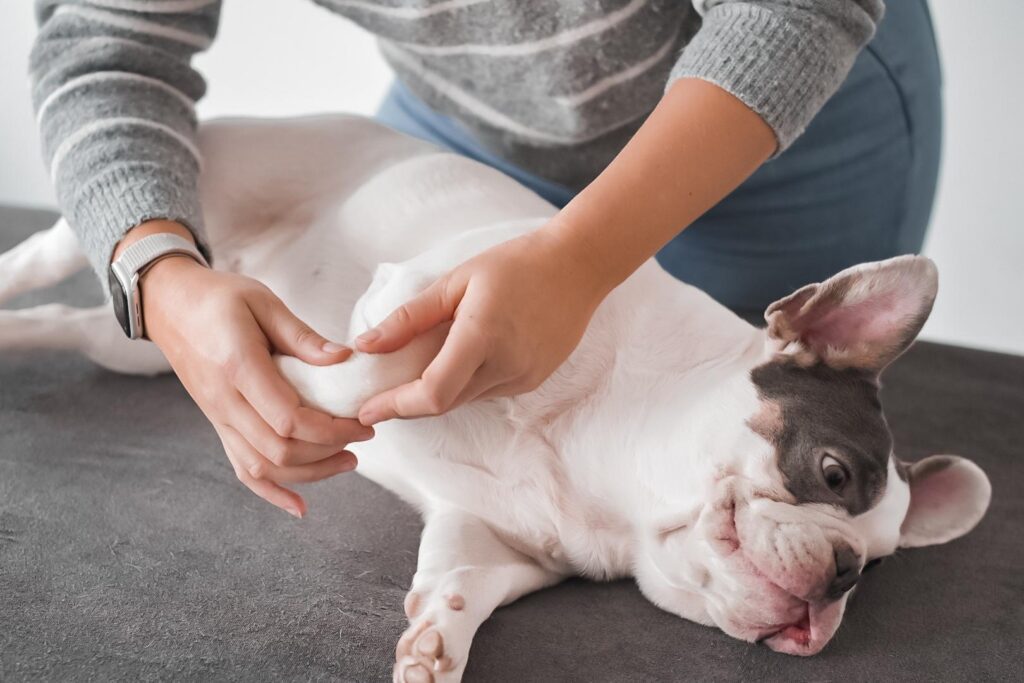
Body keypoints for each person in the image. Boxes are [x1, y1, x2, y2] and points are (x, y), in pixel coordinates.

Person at [30, 0, 941, 517]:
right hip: (469, 118)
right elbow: (107, 44)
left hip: (768, 130)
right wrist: (159, 272)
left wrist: (582, 259)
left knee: (739, 495)